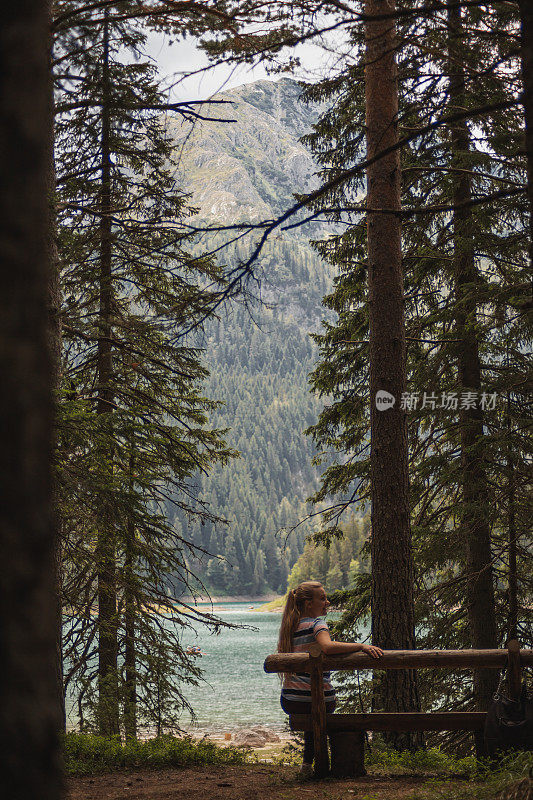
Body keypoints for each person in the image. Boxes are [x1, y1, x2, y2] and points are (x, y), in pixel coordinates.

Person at [278, 580, 383, 777]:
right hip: (317, 700)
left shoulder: (290, 626)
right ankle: (309, 766)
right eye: (323, 598)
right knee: (319, 705)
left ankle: (306, 766)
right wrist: (361, 646)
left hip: (290, 700)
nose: (327, 602)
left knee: (312, 715)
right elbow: (327, 647)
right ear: (309, 604)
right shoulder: (317, 624)